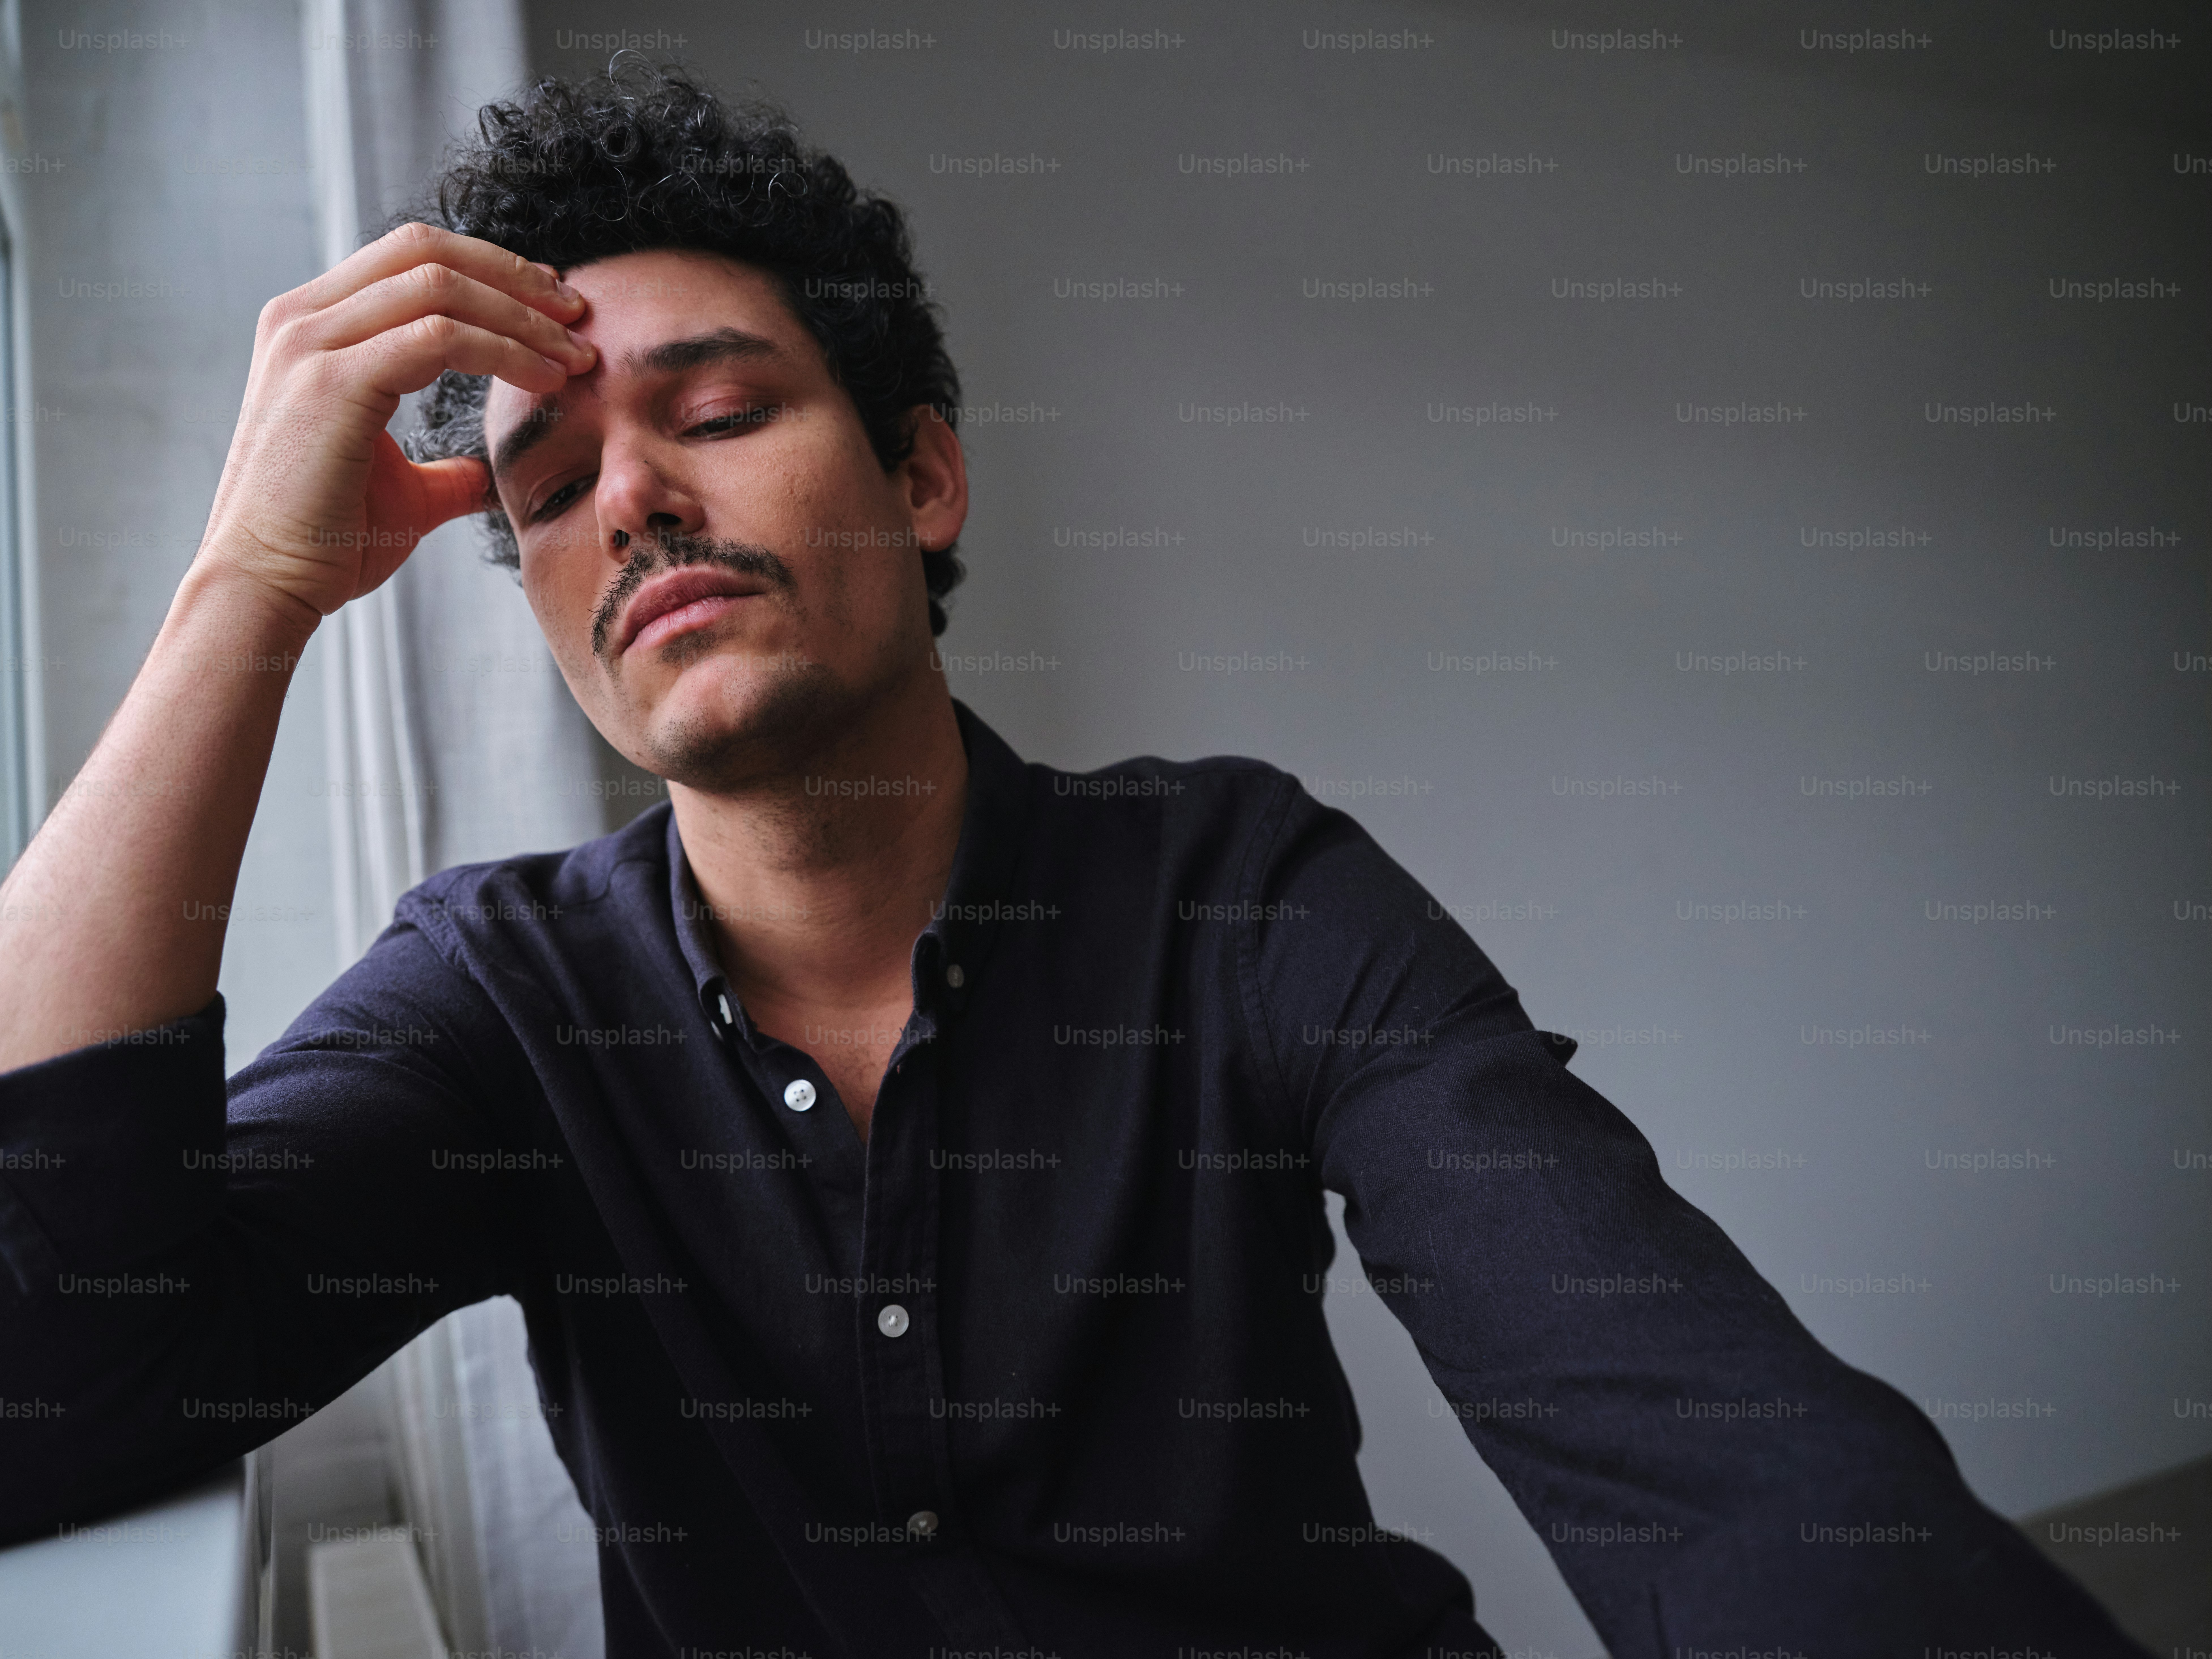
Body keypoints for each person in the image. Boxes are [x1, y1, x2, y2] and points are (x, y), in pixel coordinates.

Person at [0, 63, 2146, 1659]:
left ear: (920, 473)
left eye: (718, 410)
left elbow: (1701, 1436)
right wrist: (251, 585)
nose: (631, 500)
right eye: (546, 485)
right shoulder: (502, 998)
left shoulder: (1241, 893)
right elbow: (50, 1380)